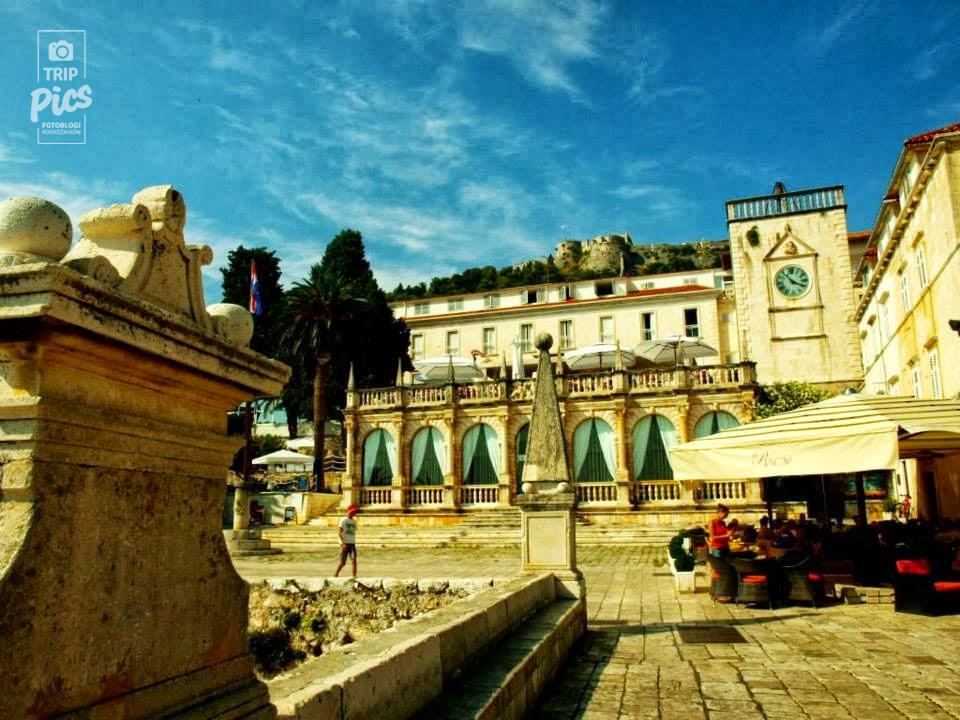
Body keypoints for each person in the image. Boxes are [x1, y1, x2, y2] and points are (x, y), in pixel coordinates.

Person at [334, 504, 359, 578]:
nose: (354, 513)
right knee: (342, 562)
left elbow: (353, 532)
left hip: (352, 543)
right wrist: (342, 543)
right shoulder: (343, 520)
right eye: (354, 511)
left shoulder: (354, 522)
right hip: (345, 544)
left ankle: (354, 576)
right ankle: (336, 574)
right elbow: (340, 532)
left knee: (354, 560)